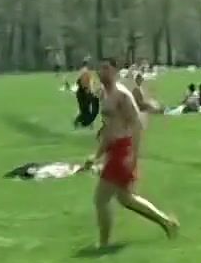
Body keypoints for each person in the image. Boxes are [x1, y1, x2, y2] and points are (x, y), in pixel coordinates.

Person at [86, 58, 179, 249]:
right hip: (114, 149)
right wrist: (97, 155)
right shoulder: (104, 94)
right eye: (100, 68)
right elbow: (108, 128)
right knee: (125, 198)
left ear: (115, 71)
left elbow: (137, 125)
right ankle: (168, 223)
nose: (102, 72)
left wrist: (133, 156)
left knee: (101, 199)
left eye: (106, 68)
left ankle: (104, 244)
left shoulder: (122, 95)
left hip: (123, 150)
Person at [74, 60, 100, 129]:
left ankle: (87, 123)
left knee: (85, 110)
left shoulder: (82, 71)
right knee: (85, 110)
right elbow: (87, 83)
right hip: (85, 92)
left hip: (83, 92)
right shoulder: (86, 72)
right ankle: (80, 122)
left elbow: (79, 82)